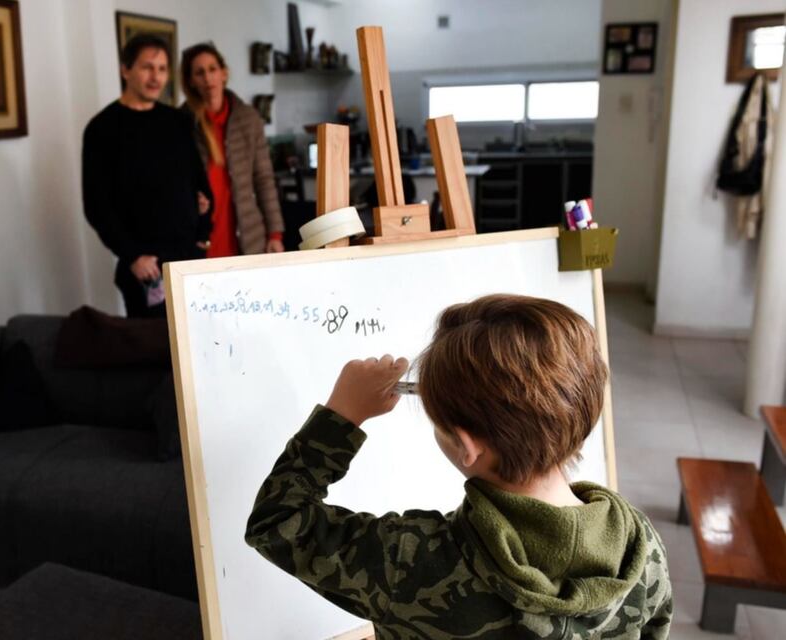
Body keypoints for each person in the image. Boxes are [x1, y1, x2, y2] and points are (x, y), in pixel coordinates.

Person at [245, 294, 673, 639]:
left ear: (467, 446)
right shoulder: (641, 547)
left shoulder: (413, 562)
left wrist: (341, 416)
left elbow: (277, 521)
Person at [83, 34, 212, 317]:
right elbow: (96, 206)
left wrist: (202, 236)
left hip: (189, 261)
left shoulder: (178, 121)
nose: (156, 77)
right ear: (125, 70)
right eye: (147, 67)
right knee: (151, 343)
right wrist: (132, 256)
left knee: (201, 340)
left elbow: (200, 184)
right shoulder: (102, 129)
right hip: (146, 267)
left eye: (162, 69)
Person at [180, 43, 284, 257]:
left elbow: (264, 178)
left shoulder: (248, 118)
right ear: (191, 81)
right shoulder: (181, 122)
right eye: (199, 72)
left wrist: (275, 234)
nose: (207, 78)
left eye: (212, 69)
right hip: (198, 236)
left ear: (224, 73)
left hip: (247, 234)